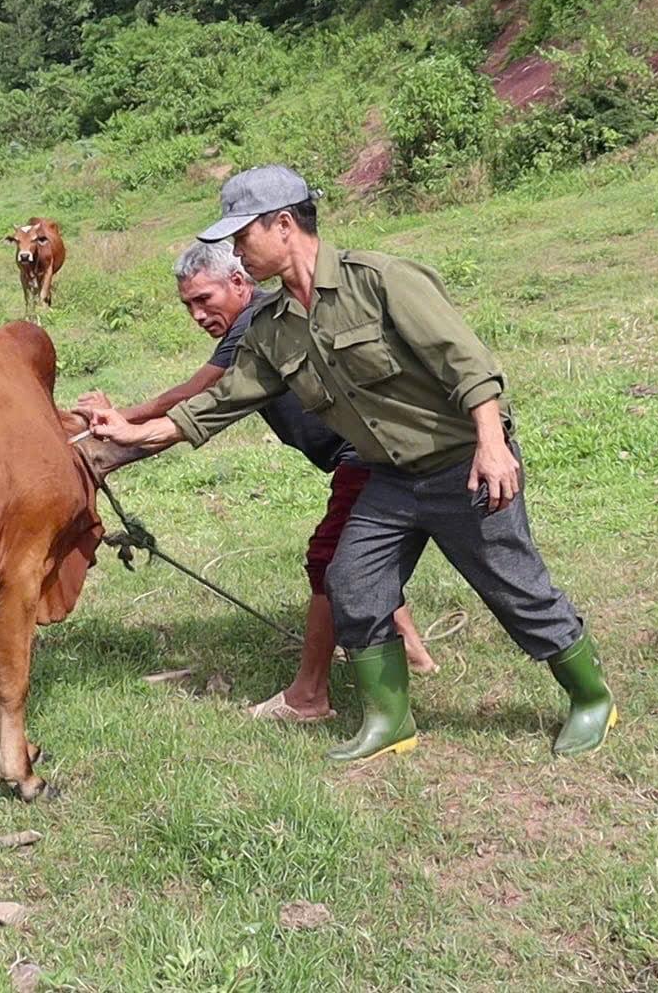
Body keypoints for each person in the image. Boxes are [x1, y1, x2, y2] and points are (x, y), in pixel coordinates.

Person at [80, 165, 614, 762]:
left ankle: (591, 698)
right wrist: (131, 429)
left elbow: (466, 361)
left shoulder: (381, 280)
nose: (236, 253)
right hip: (386, 478)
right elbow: (215, 404)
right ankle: (390, 721)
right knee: (352, 582)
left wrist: (491, 441)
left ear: (284, 225)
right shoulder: (270, 329)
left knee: (516, 589)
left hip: (461, 464)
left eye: (241, 236)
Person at [75, 240, 439, 724]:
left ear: (240, 283)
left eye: (205, 299)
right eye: (188, 305)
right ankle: (412, 650)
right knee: (361, 549)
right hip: (372, 452)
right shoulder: (263, 318)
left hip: (371, 453)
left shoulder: (255, 322)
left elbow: (197, 396)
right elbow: (196, 412)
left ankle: (309, 696)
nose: (197, 314)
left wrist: (120, 420)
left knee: (330, 560)